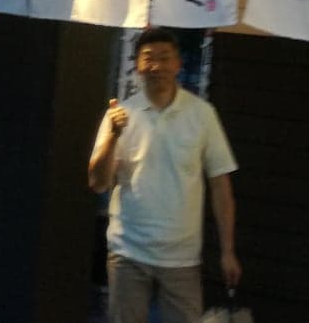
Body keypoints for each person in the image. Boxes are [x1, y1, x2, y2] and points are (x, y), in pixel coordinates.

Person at [88, 27, 240, 323]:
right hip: (128, 251)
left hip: (182, 256)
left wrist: (228, 251)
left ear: (178, 64)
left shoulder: (202, 114)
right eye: (148, 58)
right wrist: (113, 136)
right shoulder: (120, 115)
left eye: (164, 57)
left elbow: (220, 185)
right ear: (137, 66)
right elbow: (98, 183)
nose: (156, 65)